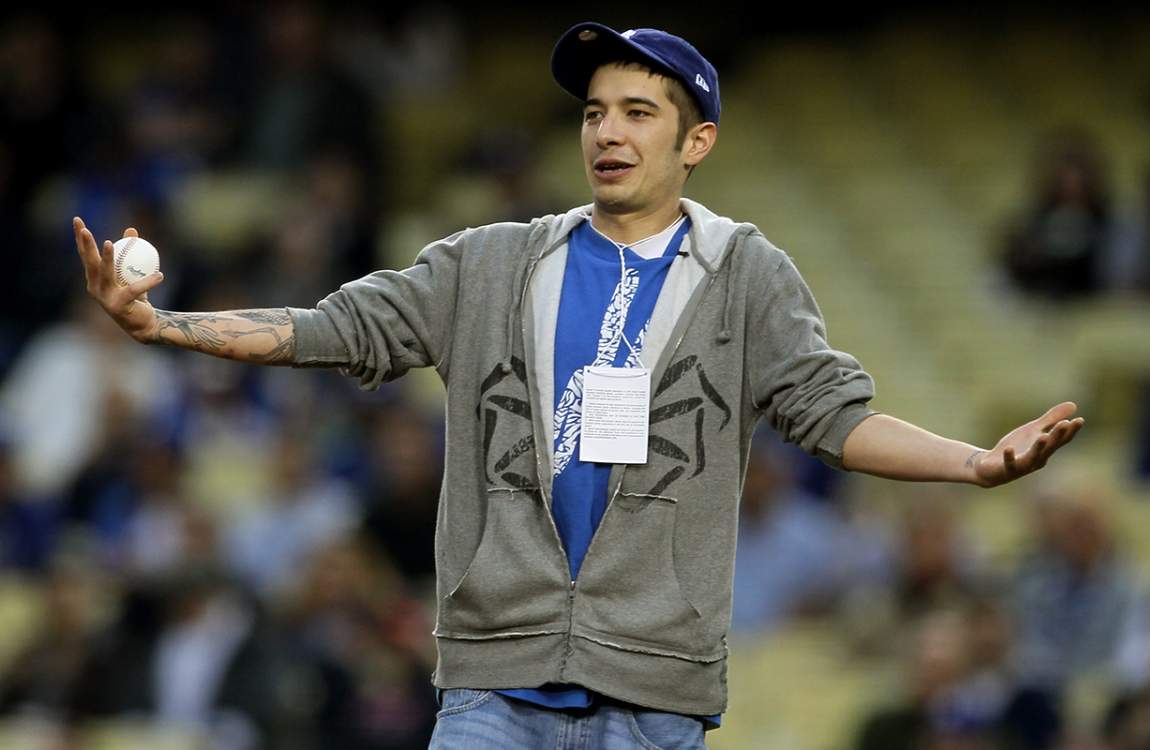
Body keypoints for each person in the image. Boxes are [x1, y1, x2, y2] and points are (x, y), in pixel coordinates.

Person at [74, 21, 1085, 750]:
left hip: (652, 698)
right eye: (596, 110)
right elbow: (333, 329)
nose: (607, 129)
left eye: (639, 111)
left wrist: (975, 465)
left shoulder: (747, 274)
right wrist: (163, 326)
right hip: (492, 688)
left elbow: (833, 415)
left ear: (697, 142)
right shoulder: (488, 262)